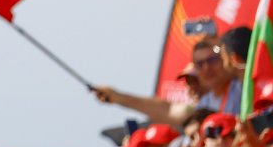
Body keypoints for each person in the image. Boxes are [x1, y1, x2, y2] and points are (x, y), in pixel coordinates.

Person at [93, 39, 242, 124]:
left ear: (224, 59)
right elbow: (168, 110)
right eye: (200, 64)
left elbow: (251, 71)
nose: (207, 68)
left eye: (212, 60)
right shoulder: (204, 104)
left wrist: (232, 65)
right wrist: (118, 97)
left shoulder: (242, 84)